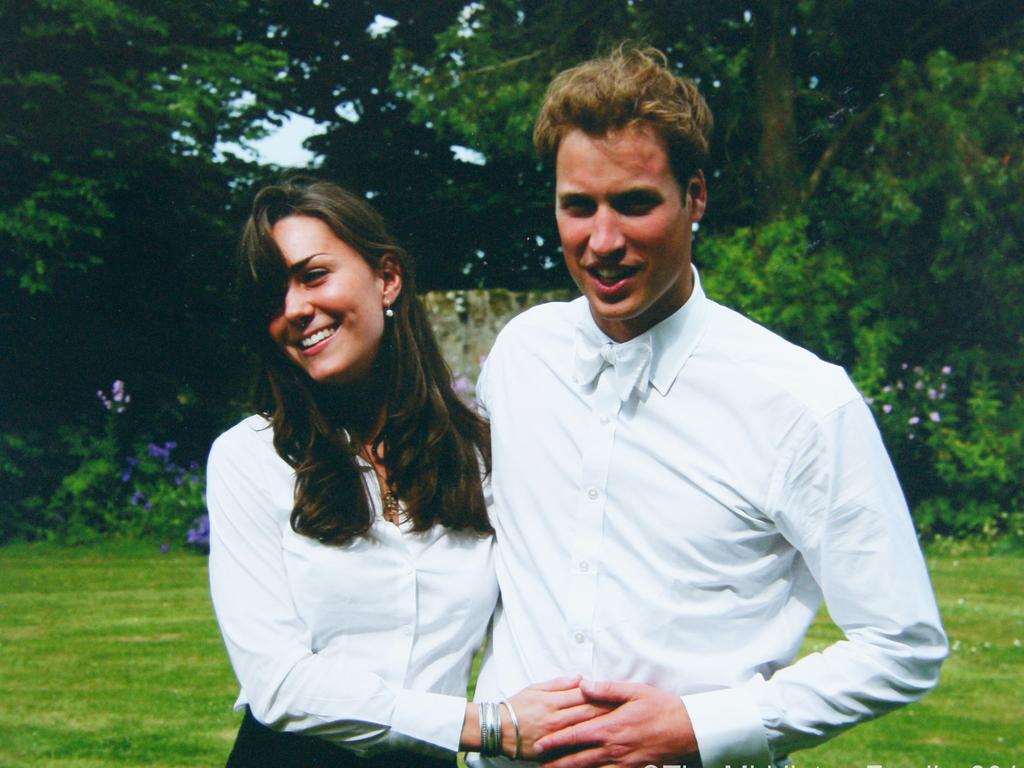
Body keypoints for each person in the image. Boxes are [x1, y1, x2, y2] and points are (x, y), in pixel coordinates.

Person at [470, 47, 948, 768]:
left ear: (694, 197)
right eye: (579, 206)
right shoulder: (520, 357)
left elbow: (904, 644)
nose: (602, 241)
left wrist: (700, 725)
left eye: (635, 203)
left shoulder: (801, 403)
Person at [206, 178, 603, 767]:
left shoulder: (482, 458)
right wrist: (484, 726)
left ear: (387, 278)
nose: (293, 309)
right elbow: (278, 684)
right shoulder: (250, 458)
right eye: (273, 296)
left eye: (314, 276)